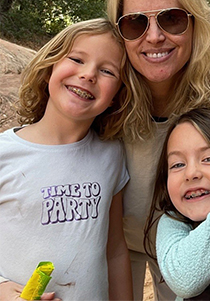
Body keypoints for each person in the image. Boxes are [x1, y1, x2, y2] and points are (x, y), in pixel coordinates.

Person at [105, 0, 210, 301]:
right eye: (135, 24)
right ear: (119, 33)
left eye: (171, 19)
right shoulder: (103, 101)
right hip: (111, 244)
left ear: (194, 23)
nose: (154, 37)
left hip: (190, 244)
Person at [0, 19, 140, 300]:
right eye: (77, 59)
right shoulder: (5, 154)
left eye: (107, 71)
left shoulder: (111, 156)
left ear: (117, 96)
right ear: (50, 66)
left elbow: (113, 250)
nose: (88, 75)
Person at [143, 108, 210, 300]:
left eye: (208, 159)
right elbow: (186, 278)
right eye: (177, 164)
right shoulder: (172, 221)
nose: (191, 173)